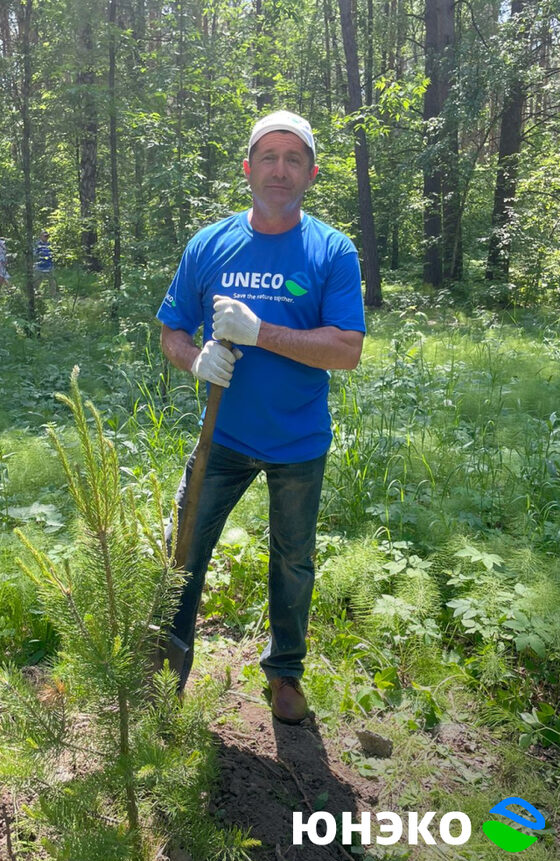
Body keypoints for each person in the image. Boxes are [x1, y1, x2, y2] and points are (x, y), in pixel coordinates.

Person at [155, 110, 364, 725]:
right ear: (248, 169)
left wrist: (261, 332)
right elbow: (171, 330)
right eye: (268, 157)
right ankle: (167, 669)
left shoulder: (331, 250)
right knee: (183, 551)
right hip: (222, 437)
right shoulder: (210, 244)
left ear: (311, 173)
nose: (279, 169)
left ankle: (285, 674)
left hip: (298, 440)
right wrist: (195, 361)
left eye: (293, 158)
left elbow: (346, 350)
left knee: (293, 560)